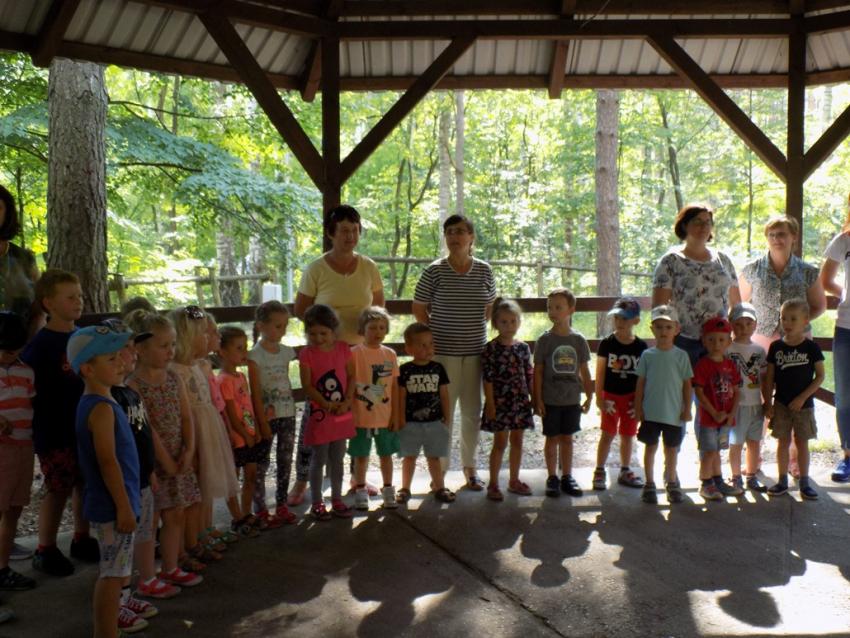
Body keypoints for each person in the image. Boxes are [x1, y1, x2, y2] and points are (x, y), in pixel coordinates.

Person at [289, 205, 384, 504]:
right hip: (324, 356)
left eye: (355, 230)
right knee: (316, 417)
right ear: (331, 233)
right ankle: (302, 479)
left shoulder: (368, 266)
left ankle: (358, 476)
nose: (350, 236)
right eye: (343, 230)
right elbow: (301, 309)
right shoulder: (316, 268)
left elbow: (379, 306)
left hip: (358, 353)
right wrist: (325, 332)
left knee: (358, 413)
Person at [67, 325, 142, 637]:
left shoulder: (103, 402)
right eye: (111, 359)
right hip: (113, 508)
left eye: (118, 356)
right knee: (111, 576)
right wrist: (124, 507)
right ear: (88, 369)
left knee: (115, 572)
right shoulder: (100, 408)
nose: (121, 362)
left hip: (116, 503)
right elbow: (107, 462)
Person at [413, 214, 496, 490]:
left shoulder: (484, 270)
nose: (454, 237)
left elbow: (490, 306)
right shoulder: (434, 271)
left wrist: (471, 326)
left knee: (472, 412)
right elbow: (418, 307)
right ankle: (440, 472)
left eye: (460, 231)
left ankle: (470, 467)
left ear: (471, 237)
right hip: (443, 355)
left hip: (475, 353)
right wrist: (431, 339)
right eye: (449, 232)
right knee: (443, 414)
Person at [101, 318, 180, 608]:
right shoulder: (105, 400)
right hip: (123, 485)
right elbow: (109, 454)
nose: (131, 353)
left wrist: (148, 471)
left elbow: (141, 437)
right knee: (118, 548)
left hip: (142, 478)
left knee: (145, 532)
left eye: (132, 346)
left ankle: (145, 582)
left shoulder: (129, 393)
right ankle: (118, 605)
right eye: (123, 349)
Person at [22, 269, 95, 576]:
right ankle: (45, 548)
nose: (78, 302)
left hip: (85, 427)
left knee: (84, 483)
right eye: (70, 297)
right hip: (54, 431)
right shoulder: (40, 347)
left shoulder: (86, 338)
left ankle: (82, 537)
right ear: (48, 303)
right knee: (58, 489)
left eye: (79, 296)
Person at [126, 311, 202, 587]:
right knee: (150, 519)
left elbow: (186, 418)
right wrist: (166, 461)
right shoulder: (133, 385)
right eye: (163, 345)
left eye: (173, 344)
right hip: (153, 463)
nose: (171, 351)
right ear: (140, 348)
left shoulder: (174, 378)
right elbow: (147, 429)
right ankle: (147, 576)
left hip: (178, 457)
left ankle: (170, 567)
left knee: (176, 513)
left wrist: (189, 449)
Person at [170, 306, 240, 561]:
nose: (210, 337)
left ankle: (201, 534)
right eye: (204, 333)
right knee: (194, 491)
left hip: (209, 428)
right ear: (188, 337)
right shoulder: (175, 370)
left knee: (205, 486)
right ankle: (191, 542)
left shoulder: (201, 365)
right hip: (194, 432)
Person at [652, 203, 740, 369]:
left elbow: (736, 303)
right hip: (683, 341)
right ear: (685, 225)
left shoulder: (723, 260)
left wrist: (735, 336)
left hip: (719, 341)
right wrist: (665, 339)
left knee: (717, 385)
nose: (704, 226)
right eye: (697, 221)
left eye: (707, 222)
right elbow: (659, 307)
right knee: (683, 385)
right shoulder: (670, 261)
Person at [298, 304, 356, 521]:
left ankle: (337, 499)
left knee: (338, 458)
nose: (318, 338)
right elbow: (307, 385)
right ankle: (317, 502)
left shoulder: (343, 348)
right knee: (319, 458)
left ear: (334, 331)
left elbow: (352, 376)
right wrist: (325, 403)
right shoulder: (307, 354)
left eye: (323, 333)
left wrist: (347, 401)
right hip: (320, 414)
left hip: (341, 412)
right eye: (312, 333)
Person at [533, 288, 593, 499]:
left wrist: (589, 396)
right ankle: (552, 477)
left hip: (571, 399)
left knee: (567, 438)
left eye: (558, 307)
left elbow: (585, 371)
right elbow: (538, 372)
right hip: (550, 399)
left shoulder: (578, 340)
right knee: (552, 439)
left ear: (571, 310)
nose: (553, 312)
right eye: (550, 307)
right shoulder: (545, 340)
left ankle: (567, 476)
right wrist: (537, 399)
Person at [764, 299, 824, 500]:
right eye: (783, 318)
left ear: (805, 321)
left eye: (793, 319)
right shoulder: (776, 347)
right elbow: (769, 378)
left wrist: (802, 397)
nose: (787, 323)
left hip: (804, 406)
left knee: (802, 442)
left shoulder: (811, 348)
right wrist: (768, 402)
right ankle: (782, 480)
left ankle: (804, 482)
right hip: (781, 403)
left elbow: (820, 376)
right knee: (782, 441)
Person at [739, 216, 825, 351]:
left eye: (781, 234)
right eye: (771, 235)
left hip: (798, 339)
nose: (776, 239)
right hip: (760, 338)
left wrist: (798, 323)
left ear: (794, 237)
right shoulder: (751, 269)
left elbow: (819, 306)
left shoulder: (808, 272)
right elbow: (739, 305)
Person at [634, 306, 693, 505]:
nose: (663, 331)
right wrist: (638, 407)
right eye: (659, 327)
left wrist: (687, 409)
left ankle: (672, 482)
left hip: (673, 414)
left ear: (676, 329)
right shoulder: (647, 355)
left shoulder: (681, 356)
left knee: (671, 449)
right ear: (652, 329)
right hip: (650, 413)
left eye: (668, 327)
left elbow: (687, 385)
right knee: (650, 447)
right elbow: (640, 384)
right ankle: (649, 483)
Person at [247, 301, 298, 525]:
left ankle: (281, 505)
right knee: (262, 463)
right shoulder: (255, 356)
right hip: (266, 418)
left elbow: (285, 381)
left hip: (287, 414)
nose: (283, 330)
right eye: (278, 326)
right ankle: (260, 509)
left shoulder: (286, 352)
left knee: (285, 461)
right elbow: (255, 393)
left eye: (285, 325)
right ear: (261, 326)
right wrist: (261, 422)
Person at [0, 312, 36, 622]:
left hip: (24, 447)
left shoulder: (26, 371)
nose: (8, 356)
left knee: (13, 509)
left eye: (13, 351)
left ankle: (3, 568)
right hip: (2, 451)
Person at [217, 326, 269, 534]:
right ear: (222, 351)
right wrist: (244, 434)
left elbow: (248, 406)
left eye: (245, 347)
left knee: (251, 475)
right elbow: (230, 414)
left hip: (249, 434)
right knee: (233, 480)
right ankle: (237, 517)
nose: (244, 352)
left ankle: (246, 513)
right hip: (237, 438)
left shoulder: (241, 376)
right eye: (239, 348)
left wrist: (255, 429)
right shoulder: (223, 380)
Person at [481, 298, 534, 501]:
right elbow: (487, 379)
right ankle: (493, 484)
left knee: (518, 441)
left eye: (513, 321)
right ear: (495, 323)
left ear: (519, 322)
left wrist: (535, 399)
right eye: (504, 322)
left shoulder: (523, 348)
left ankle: (514, 480)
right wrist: (491, 405)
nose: (509, 326)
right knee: (500, 443)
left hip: (520, 402)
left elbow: (529, 374)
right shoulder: (490, 349)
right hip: (500, 403)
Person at [592, 297, 647, 491]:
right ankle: (599, 470)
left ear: (636, 321)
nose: (619, 322)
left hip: (631, 398)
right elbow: (600, 373)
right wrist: (599, 399)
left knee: (627, 435)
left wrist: (639, 403)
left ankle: (625, 470)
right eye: (616, 318)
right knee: (607, 433)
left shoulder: (641, 347)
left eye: (624, 318)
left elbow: (643, 378)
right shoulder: (607, 344)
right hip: (611, 397)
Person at [396, 323, 454, 504]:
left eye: (431, 343)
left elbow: (444, 395)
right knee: (409, 457)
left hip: (434, 422)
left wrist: (447, 417)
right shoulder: (404, 370)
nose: (428, 348)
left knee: (434, 457)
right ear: (409, 349)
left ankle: (439, 487)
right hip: (410, 423)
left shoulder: (438, 368)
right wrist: (400, 418)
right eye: (422, 345)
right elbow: (401, 396)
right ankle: (405, 489)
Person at [350, 307, 400, 511]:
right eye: (372, 327)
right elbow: (349, 384)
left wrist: (396, 415)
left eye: (381, 327)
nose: (377, 331)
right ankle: (360, 491)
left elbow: (393, 387)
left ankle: (388, 490)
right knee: (361, 456)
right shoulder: (354, 353)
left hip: (385, 417)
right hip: (360, 418)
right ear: (362, 329)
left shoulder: (389, 354)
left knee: (386, 455)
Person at [692, 317, 743, 501]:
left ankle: (718, 481)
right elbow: (698, 392)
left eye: (721, 340)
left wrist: (731, 415)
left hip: (726, 419)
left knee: (717, 451)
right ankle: (706, 484)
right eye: (711, 339)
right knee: (709, 452)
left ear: (729, 341)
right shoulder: (703, 365)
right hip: (709, 419)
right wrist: (714, 413)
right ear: (704, 341)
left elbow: (737, 392)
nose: (716, 344)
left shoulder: (730, 365)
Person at [819, 207, 850, 483]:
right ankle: (848, 456)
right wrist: (846, 294)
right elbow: (825, 280)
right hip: (847, 327)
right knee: (846, 396)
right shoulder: (843, 240)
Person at [727, 303, 768, 493]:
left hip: (755, 403)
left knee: (754, 442)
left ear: (755, 325)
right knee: (736, 443)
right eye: (738, 324)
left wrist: (767, 402)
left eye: (748, 323)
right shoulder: (728, 349)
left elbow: (765, 378)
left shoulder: (759, 351)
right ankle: (735, 477)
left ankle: (751, 475)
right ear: (731, 325)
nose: (744, 328)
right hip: (736, 405)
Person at [0, 185, 40, 335]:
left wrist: (30, 343)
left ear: (7, 214)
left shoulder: (25, 259)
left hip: (23, 345)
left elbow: (40, 311)